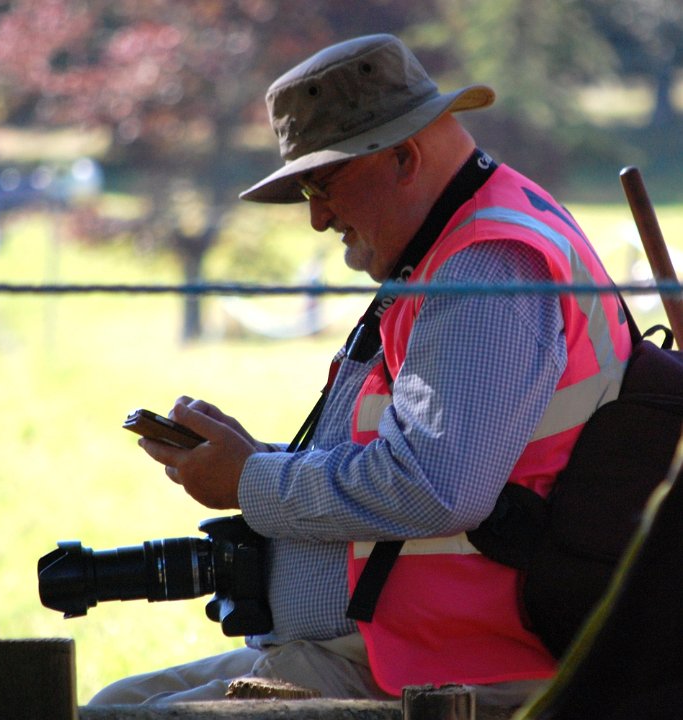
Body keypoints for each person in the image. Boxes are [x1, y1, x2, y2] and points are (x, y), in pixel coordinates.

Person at [89, 33, 633, 708]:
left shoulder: (483, 266)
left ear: (402, 157)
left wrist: (251, 479)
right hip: (400, 653)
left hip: (457, 674)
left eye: (324, 183)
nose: (316, 218)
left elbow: (434, 486)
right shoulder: (462, 244)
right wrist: (256, 461)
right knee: (111, 705)